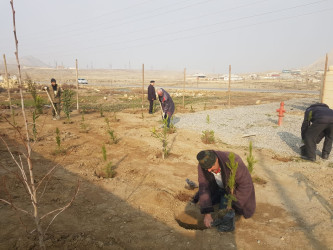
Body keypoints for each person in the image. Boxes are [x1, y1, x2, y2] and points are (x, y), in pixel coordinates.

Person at [193, 150, 256, 228]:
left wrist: (233, 205)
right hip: (218, 188)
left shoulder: (234, 162)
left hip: (234, 191)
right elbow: (204, 187)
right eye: (206, 168)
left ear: (216, 160)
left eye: (210, 166)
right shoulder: (203, 165)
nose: (209, 170)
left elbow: (246, 185)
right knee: (206, 201)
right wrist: (207, 214)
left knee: (236, 209)